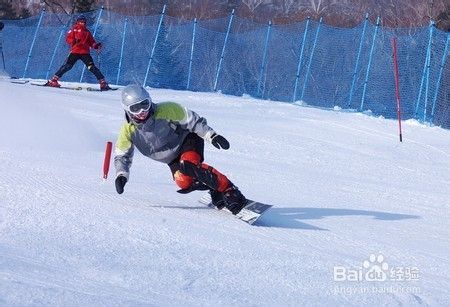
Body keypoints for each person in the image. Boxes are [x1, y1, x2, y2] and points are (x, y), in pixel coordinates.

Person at [114, 84, 248, 215]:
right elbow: (122, 155)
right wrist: (121, 175)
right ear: (127, 109)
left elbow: (193, 121)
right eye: (135, 108)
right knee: (184, 182)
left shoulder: (167, 109)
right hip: (171, 158)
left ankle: (229, 189)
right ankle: (215, 189)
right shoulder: (128, 132)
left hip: (187, 140)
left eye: (145, 104)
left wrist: (212, 136)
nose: (142, 111)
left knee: (188, 165)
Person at [45, 15, 111, 90]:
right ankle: (54, 80)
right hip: (75, 51)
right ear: (78, 22)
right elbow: (68, 38)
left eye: (84, 22)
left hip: (85, 53)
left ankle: (102, 83)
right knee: (68, 66)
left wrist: (96, 45)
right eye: (81, 21)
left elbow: (91, 42)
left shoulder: (87, 32)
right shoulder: (73, 30)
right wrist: (74, 41)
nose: (82, 23)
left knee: (91, 67)